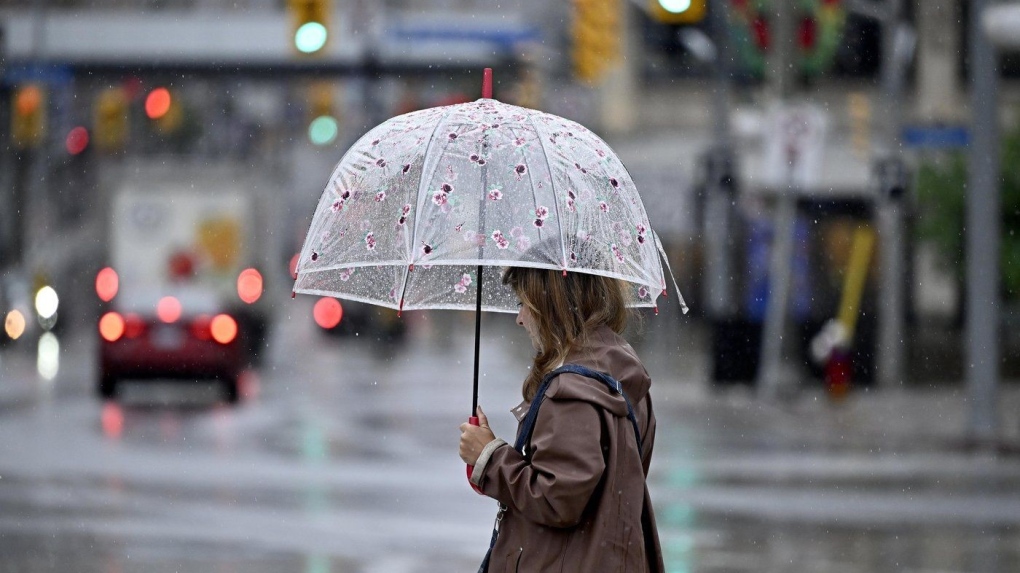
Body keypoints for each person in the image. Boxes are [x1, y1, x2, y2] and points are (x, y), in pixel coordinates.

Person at [458, 266, 665, 573]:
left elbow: (556, 499)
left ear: (548, 303)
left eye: (523, 304)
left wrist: (488, 456)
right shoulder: (621, 372)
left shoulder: (572, 391)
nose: (520, 318)